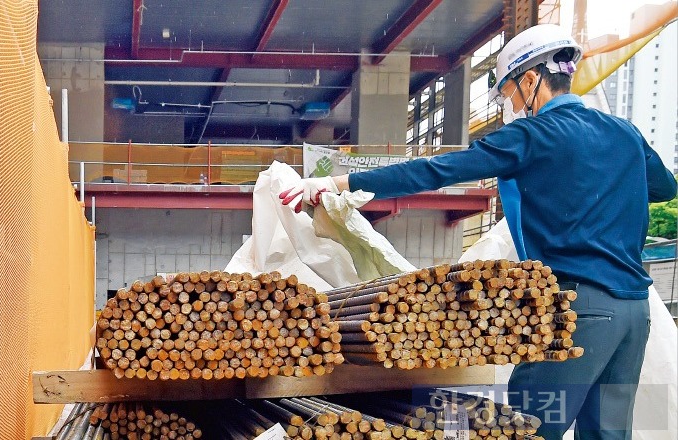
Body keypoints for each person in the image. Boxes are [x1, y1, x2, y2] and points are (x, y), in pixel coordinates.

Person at [280, 23, 677, 439]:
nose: (511, 103)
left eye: (508, 92)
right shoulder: (625, 133)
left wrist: (336, 184)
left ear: (531, 79)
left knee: (525, 428)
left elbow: (435, 171)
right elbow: (664, 186)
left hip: (580, 306)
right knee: (608, 434)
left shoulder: (533, 135)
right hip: (634, 314)